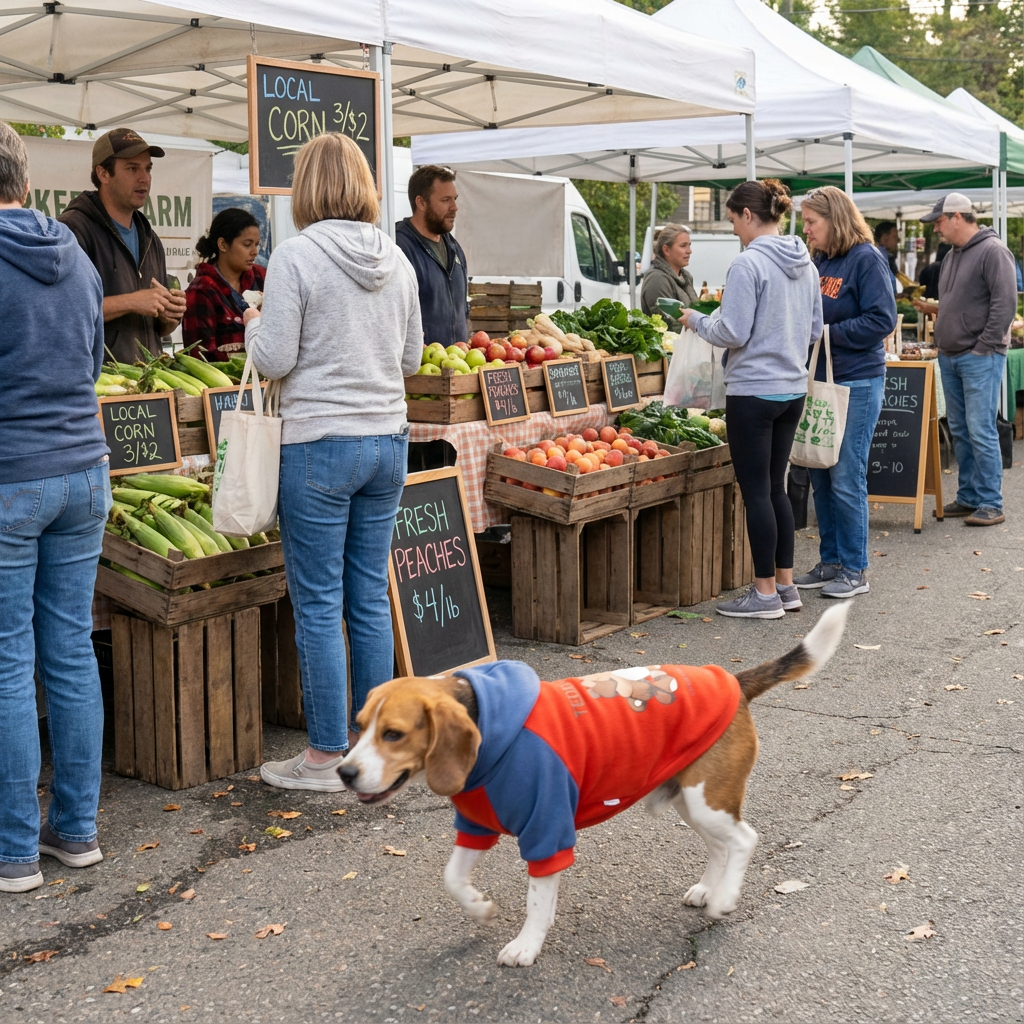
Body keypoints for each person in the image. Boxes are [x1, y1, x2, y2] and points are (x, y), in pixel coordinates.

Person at [244, 132, 422, 791]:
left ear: (305, 189)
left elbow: (273, 359)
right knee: (369, 595)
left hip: (319, 443)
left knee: (319, 603)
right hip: (387, 440)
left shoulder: (295, 257)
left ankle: (324, 755)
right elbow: (410, 359)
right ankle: (374, 750)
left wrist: (253, 324)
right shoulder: (397, 260)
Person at [0, 122, 110, 893]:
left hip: (11, 478)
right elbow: (93, 361)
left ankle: (11, 852)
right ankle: (76, 832)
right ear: (26, 180)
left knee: (8, 661)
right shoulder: (74, 254)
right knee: (68, 651)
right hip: (84, 472)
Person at [679, 179, 822, 620]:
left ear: (747, 215)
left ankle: (763, 596)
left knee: (756, 492)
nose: (734, 232)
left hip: (753, 392)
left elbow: (733, 331)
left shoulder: (748, 265)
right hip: (792, 390)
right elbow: (815, 330)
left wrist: (697, 320)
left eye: (732, 222)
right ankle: (785, 585)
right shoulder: (806, 263)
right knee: (776, 487)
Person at [794, 186, 897, 599]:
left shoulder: (866, 259)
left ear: (834, 219)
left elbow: (882, 319)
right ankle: (832, 560)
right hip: (821, 381)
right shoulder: (820, 260)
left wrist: (828, 334)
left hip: (856, 379)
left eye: (810, 221)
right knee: (820, 471)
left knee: (846, 474)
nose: (806, 229)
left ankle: (855, 568)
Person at [913, 192, 1017, 526]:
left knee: (980, 427)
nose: (936, 229)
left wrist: (983, 346)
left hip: (977, 356)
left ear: (958, 216)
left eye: (939, 222)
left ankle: (991, 501)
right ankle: (971, 496)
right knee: (960, 428)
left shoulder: (992, 251)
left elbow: (1005, 304)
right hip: (953, 354)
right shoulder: (954, 255)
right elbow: (962, 303)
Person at [59, 128, 186, 364]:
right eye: (132, 168)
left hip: (149, 383)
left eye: (148, 168)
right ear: (103, 173)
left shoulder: (150, 238)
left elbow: (157, 329)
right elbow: (64, 312)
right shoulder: (73, 230)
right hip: (99, 387)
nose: (144, 178)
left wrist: (170, 316)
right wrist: (132, 301)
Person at [395, 165, 469, 345]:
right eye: (445, 200)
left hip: (459, 365)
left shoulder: (454, 247)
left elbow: (462, 310)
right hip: (419, 369)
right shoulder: (399, 247)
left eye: (455, 199)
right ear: (421, 202)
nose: (454, 207)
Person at [182, 208, 265, 361]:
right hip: (227, 382)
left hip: (266, 378)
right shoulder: (201, 291)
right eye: (247, 245)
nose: (254, 252)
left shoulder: (262, 277)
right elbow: (201, 357)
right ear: (223, 244)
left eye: (257, 245)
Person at [640, 223, 698, 330]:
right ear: (666, 250)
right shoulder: (657, 279)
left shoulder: (686, 277)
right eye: (683, 245)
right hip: (669, 345)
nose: (689, 251)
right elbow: (669, 325)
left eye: (689, 245)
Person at [874, 221, 900, 295]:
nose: (898, 240)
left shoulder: (882, 255)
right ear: (885, 238)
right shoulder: (879, 256)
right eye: (894, 236)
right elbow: (889, 283)